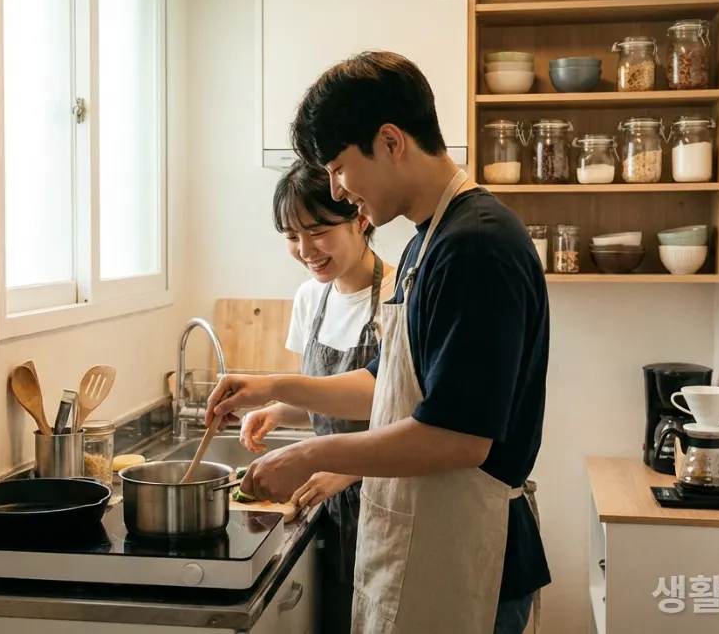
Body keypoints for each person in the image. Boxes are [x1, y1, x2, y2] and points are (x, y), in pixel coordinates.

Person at [207, 51, 551, 634]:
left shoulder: (474, 247)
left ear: (391, 142)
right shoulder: (430, 240)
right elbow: (386, 384)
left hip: (473, 552)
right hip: (430, 535)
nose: (338, 191)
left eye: (340, 167)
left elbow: (458, 439)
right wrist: (274, 385)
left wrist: (310, 455)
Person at [238, 158, 396, 633]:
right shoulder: (311, 298)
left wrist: (345, 470)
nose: (305, 249)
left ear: (360, 217)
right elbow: (328, 402)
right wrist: (277, 411)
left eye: (318, 231)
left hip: (386, 496)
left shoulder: (397, 295)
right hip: (328, 507)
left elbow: (401, 408)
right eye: (291, 236)